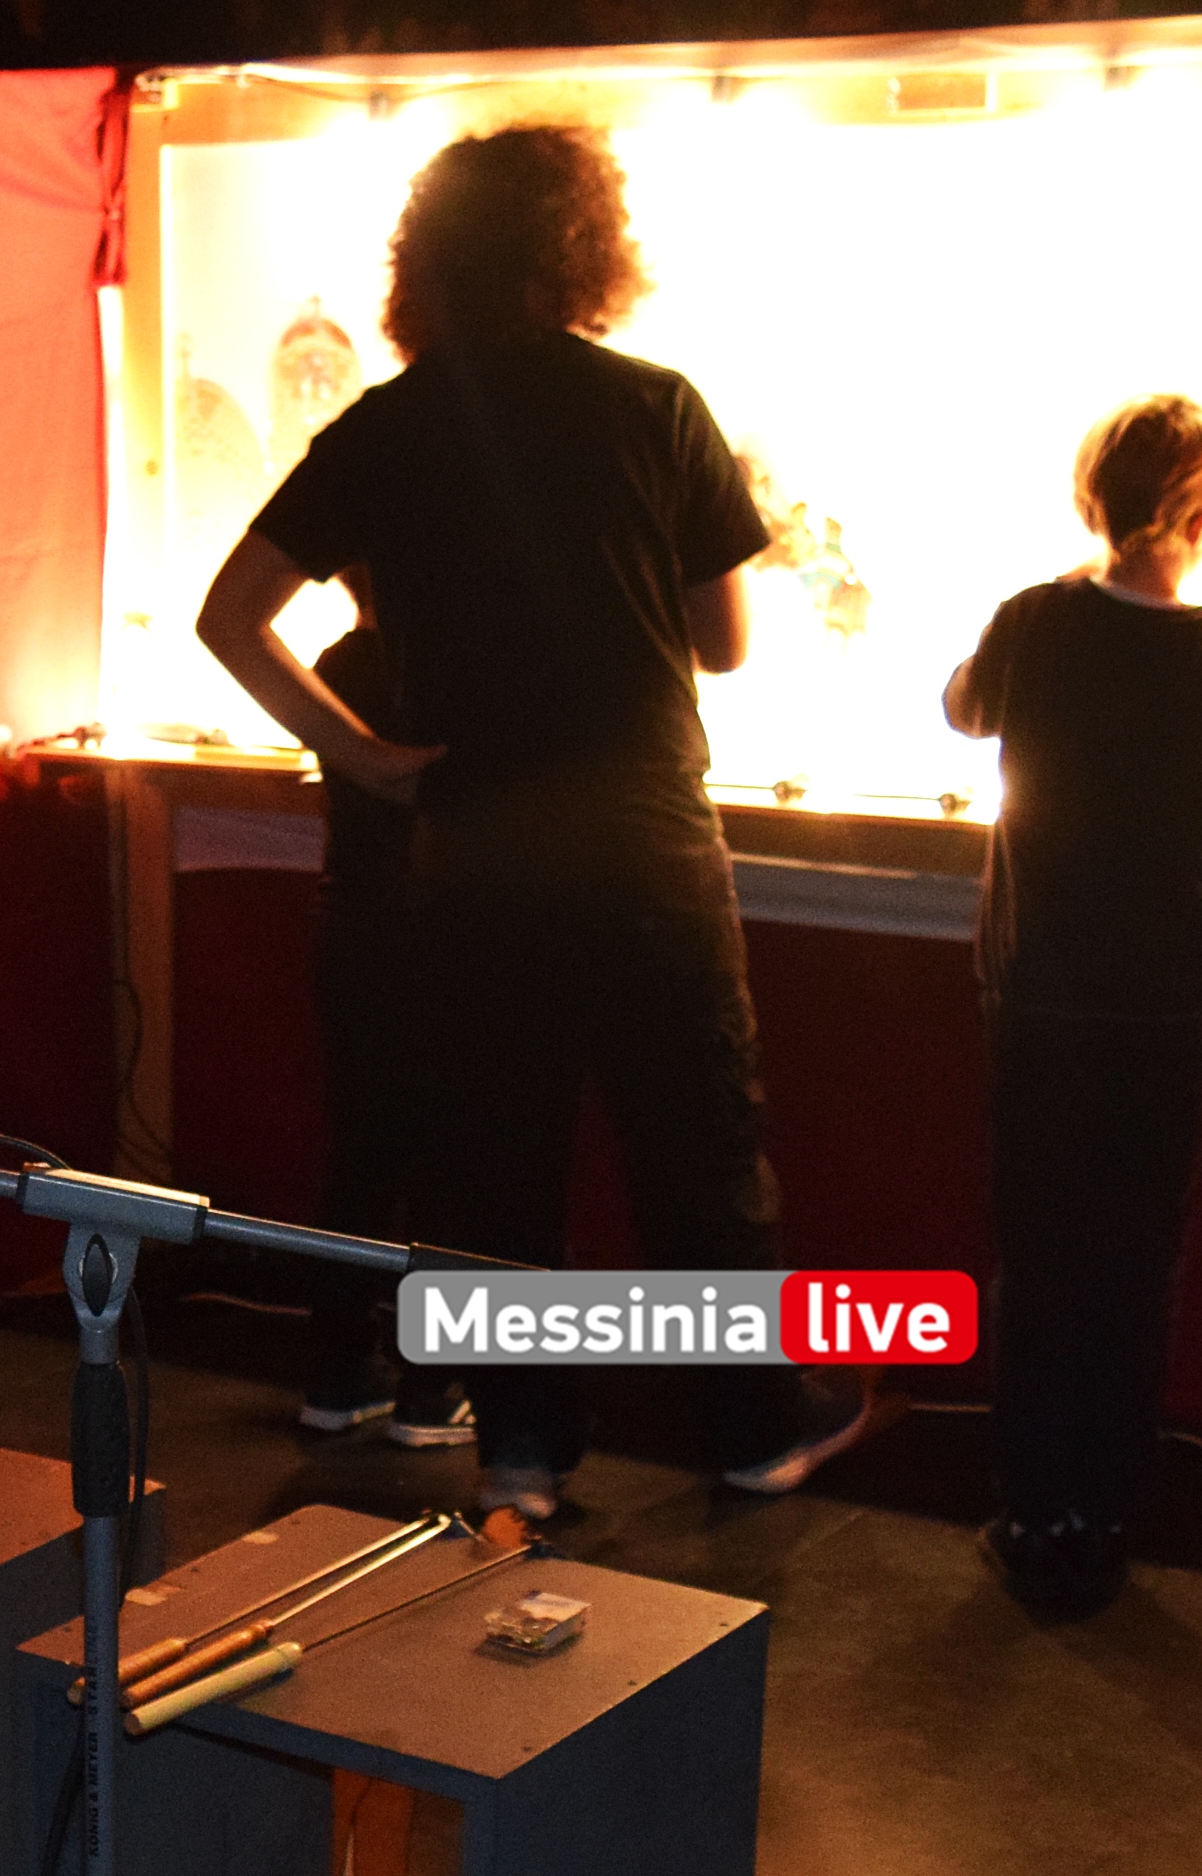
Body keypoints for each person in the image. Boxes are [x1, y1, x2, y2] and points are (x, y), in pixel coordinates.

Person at [196, 125, 884, 1525]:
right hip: (640, 836)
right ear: (585, 246)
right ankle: (752, 1426)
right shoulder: (656, 406)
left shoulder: (386, 425)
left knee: (495, 1166)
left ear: (426, 260)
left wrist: (363, 754)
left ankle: (521, 1445)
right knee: (698, 1148)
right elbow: (725, 641)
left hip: (475, 850)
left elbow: (231, 615)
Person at [943, 397, 1202, 1620]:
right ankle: (1100, 1520)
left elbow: (962, 707)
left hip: (1034, 988)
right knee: (1133, 1263)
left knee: (1038, 1253)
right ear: (1201, 514)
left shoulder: (1032, 620)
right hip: (1162, 1003)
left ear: (1087, 498)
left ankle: (1027, 1509)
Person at [294, 608, 466, 1451]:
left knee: (361, 1154)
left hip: (352, 928)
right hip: (443, 928)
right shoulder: (457, 658)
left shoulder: (339, 661)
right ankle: (437, 1387)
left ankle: (337, 1372)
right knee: (458, 1163)